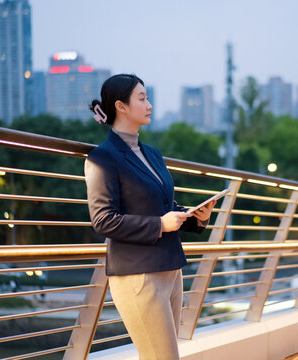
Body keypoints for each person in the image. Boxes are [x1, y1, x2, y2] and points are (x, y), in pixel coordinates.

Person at [85, 74, 215, 360]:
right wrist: (159, 224)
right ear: (121, 106)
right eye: (142, 98)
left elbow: (162, 204)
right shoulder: (102, 158)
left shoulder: (153, 154)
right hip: (137, 274)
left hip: (170, 268)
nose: (150, 105)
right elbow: (103, 220)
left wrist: (196, 218)